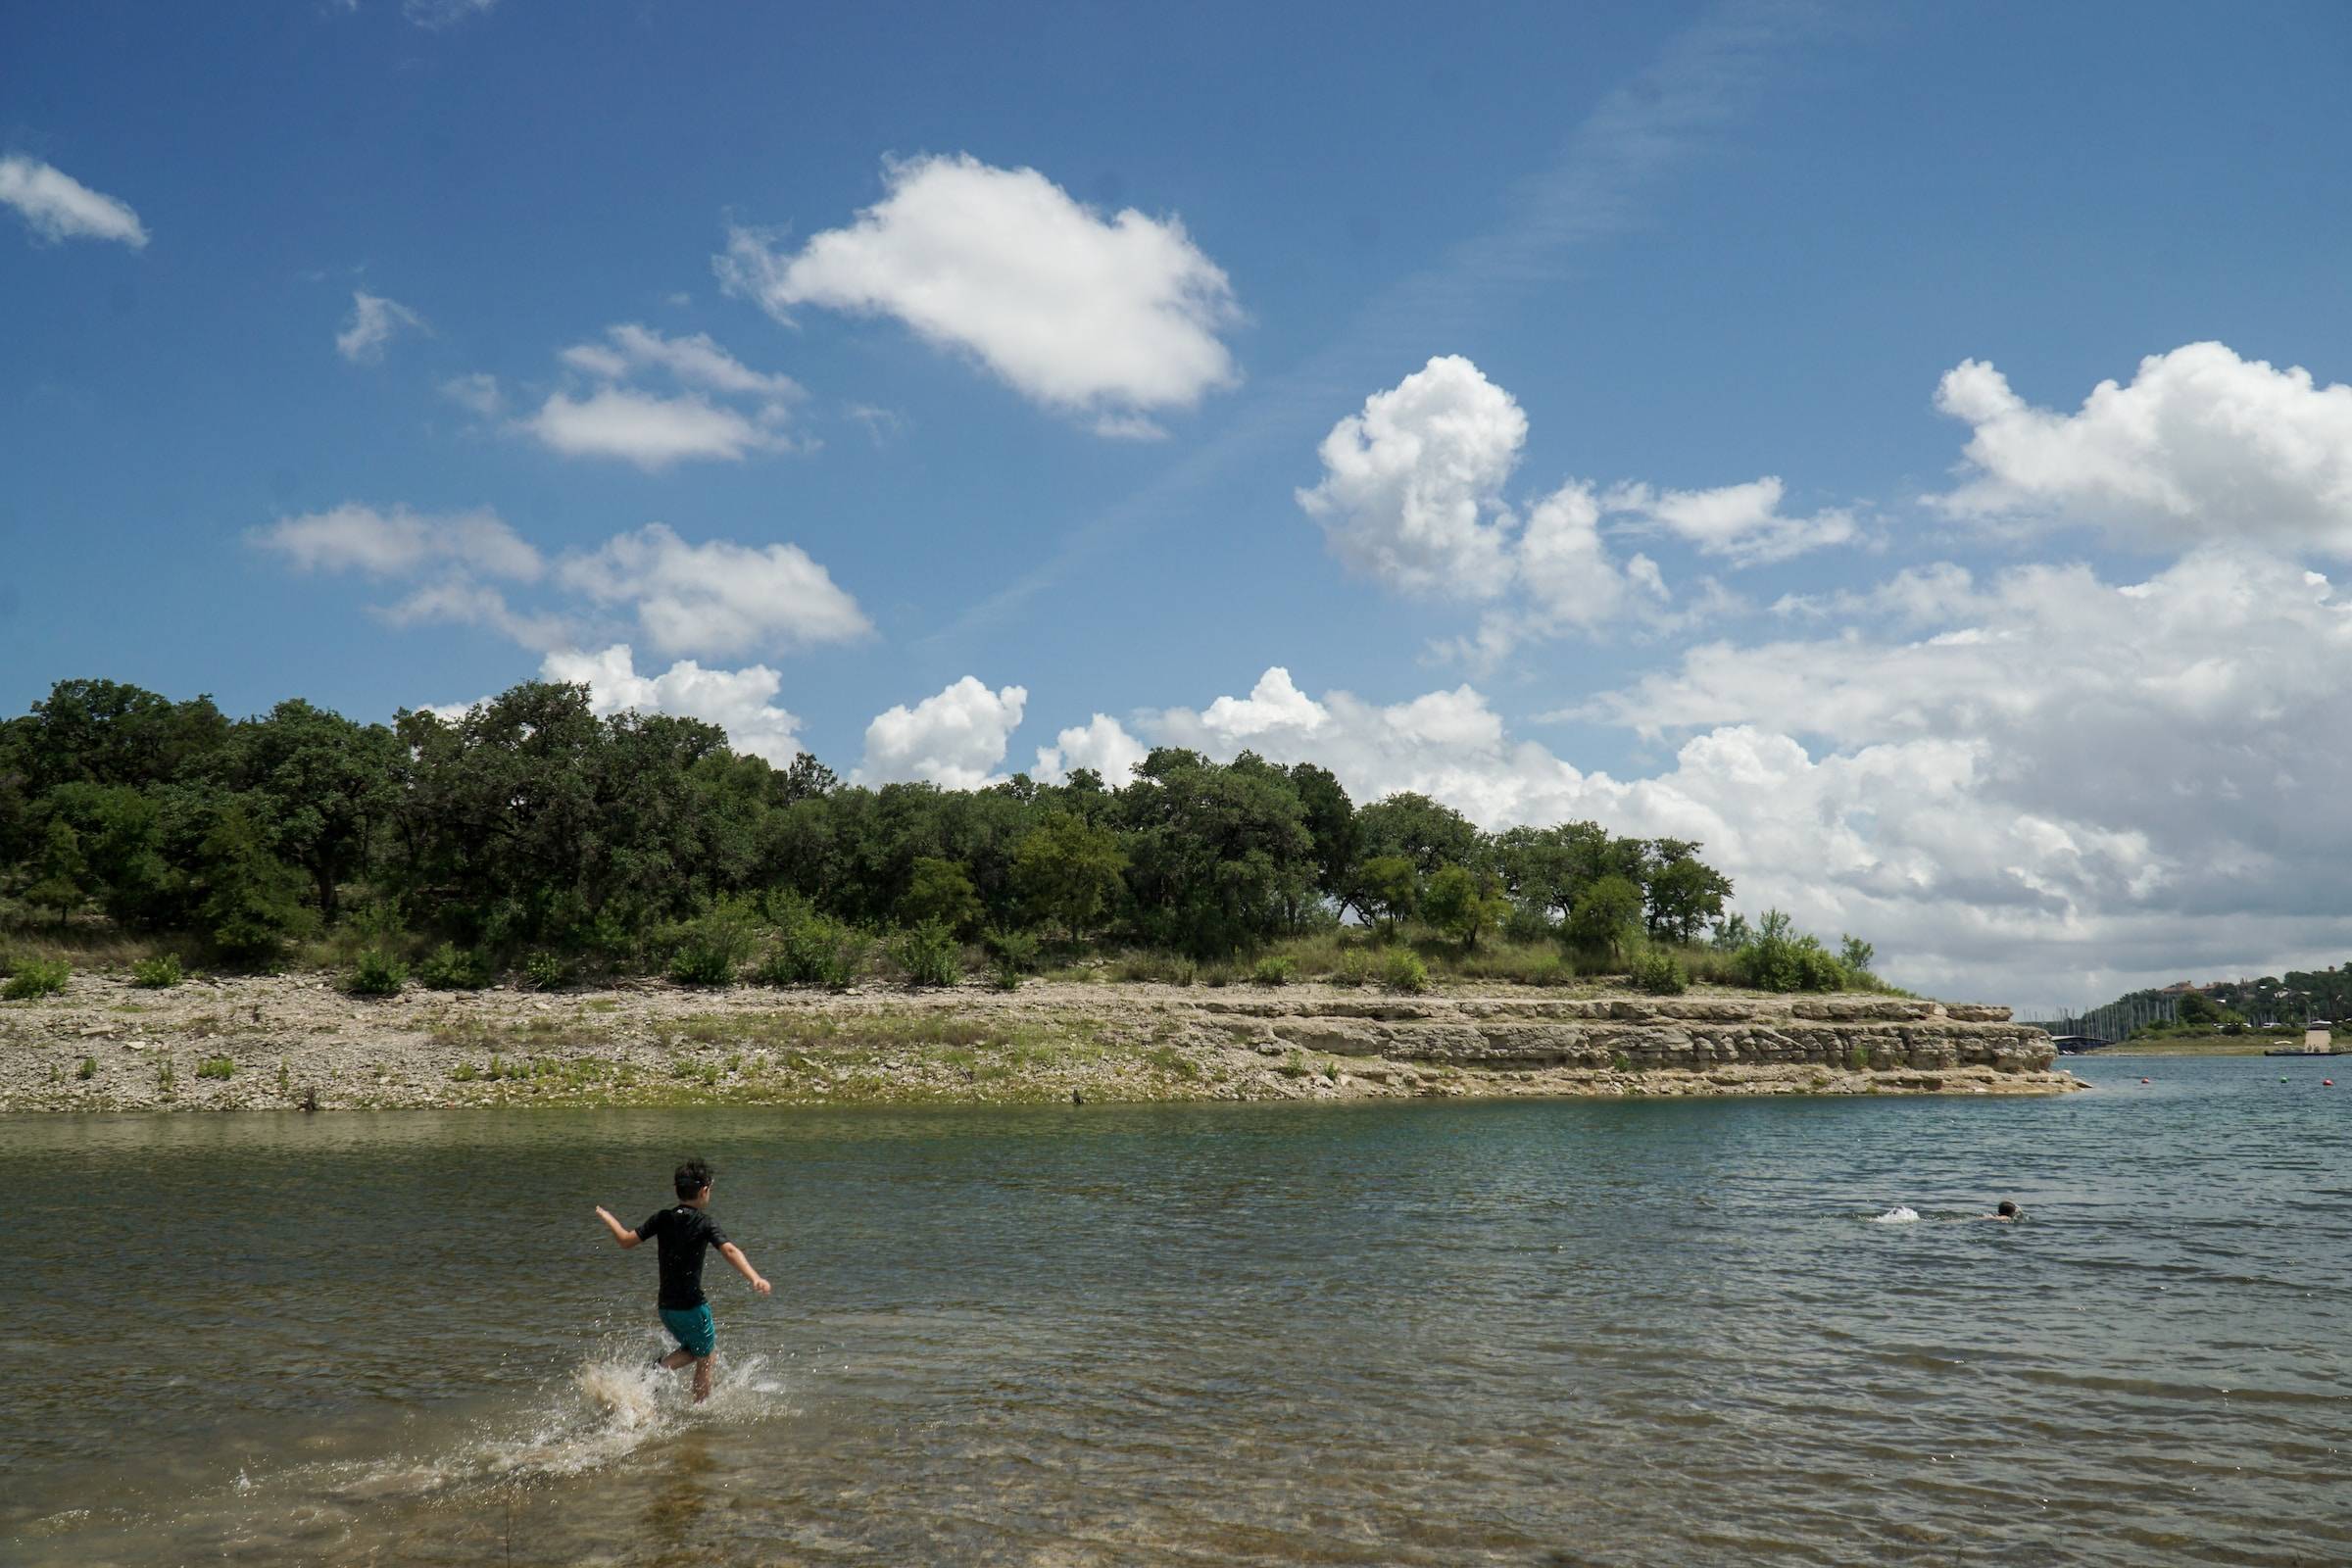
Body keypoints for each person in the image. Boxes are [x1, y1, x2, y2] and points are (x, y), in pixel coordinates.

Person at [594, 1157, 769, 1402]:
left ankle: (659, 1372)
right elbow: (729, 1251)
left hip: (666, 1308)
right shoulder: (704, 1223)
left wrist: (608, 1217)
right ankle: (683, 1394)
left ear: (676, 1189)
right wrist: (755, 1277)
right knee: (706, 1357)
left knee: (695, 1351)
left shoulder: (662, 1218)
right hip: (692, 1307)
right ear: (704, 1190)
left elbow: (625, 1240)